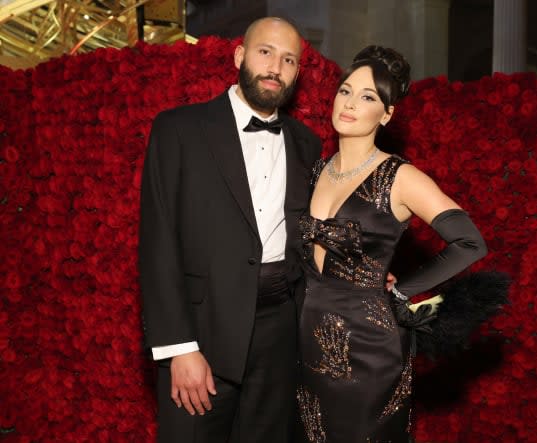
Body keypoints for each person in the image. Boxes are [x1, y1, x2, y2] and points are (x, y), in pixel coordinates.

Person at [138, 17, 322, 443]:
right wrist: (180, 348)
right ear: (240, 56)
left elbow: (311, 237)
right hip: (203, 332)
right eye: (265, 52)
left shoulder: (306, 143)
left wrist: (365, 276)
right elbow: (158, 243)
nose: (276, 67)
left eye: (289, 59)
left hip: (280, 338)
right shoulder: (178, 129)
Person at [296, 46, 489, 442]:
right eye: (345, 91)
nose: (349, 103)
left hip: (369, 349)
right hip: (304, 342)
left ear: (386, 114)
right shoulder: (317, 169)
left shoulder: (400, 177)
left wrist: (403, 290)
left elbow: (470, 243)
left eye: (367, 97)